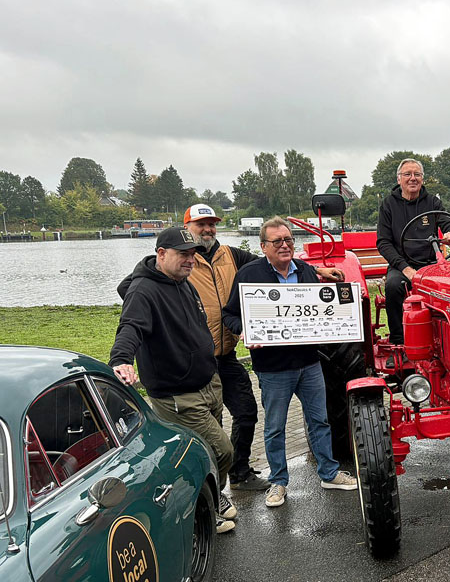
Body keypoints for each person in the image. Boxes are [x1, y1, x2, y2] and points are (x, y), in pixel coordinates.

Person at [109, 227, 238, 533]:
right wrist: (121, 359)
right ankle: (200, 510)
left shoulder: (182, 281)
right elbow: (131, 327)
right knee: (221, 451)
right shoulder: (144, 291)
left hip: (208, 384)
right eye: (183, 254)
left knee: (205, 452)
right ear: (162, 254)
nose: (190, 260)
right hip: (178, 395)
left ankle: (212, 497)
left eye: (193, 254)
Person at [221, 217, 356, 508]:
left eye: (289, 240)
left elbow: (321, 310)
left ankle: (329, 473)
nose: (284, 245)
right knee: (275, 427)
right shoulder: (249, 273)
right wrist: (244, 330)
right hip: (273, 368)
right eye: (277, 242)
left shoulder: (305, 270)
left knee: (319, 421)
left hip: (309, 363)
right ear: (264, 246)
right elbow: (229, 314)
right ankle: (279, 483)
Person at [182, 203, 269, 491]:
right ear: (187, 228)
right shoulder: (179, 260)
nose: (207, 229)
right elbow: (132, 286)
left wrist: (318, 271)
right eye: (200, 225)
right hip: (194, 360)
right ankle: (209, 489)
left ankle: (240, 473)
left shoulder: (231, 255)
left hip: (227, 355)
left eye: (211, 224)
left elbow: (271, 265)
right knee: (209, 424)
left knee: (246, 412)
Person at [376, 158, 450, 361]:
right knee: (395, 286)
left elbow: (448, 222)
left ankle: (448, 343)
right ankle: (399, 344)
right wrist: (405, 269)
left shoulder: (432, 202)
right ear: (399, 178)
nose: (412, 178)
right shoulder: (388, 205)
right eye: (408, 174)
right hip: (402, 265)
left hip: (430, 264)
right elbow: (383, 243)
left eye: (417, 174)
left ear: (422, 179)